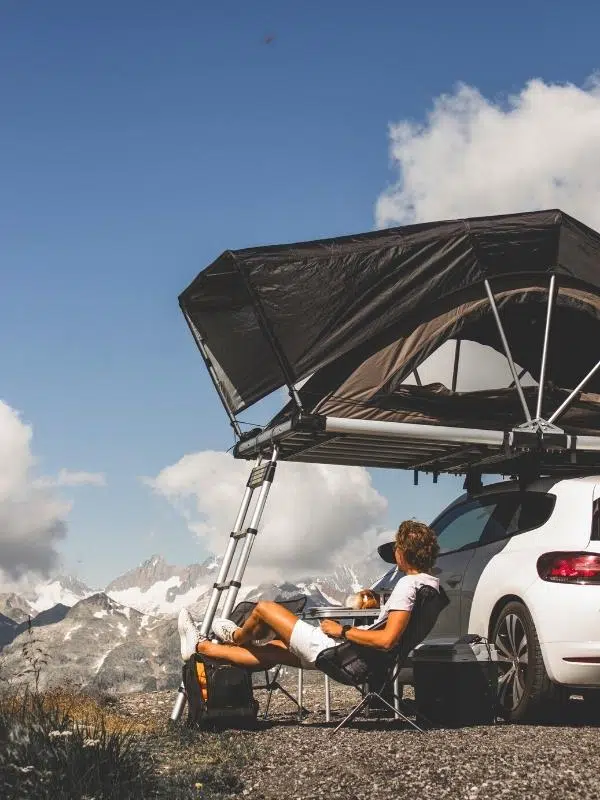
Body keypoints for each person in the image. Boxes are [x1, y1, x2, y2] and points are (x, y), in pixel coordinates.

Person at [177, 519, 440, 671]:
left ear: (403, 553)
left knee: (264, 609)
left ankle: (233, 635)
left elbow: (386, 640)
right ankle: (200, 647)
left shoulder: (408, 585)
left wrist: (341, 631)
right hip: (351, 658)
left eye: (397, 548)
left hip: (337, 651)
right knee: (273, 652)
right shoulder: (431, 586)